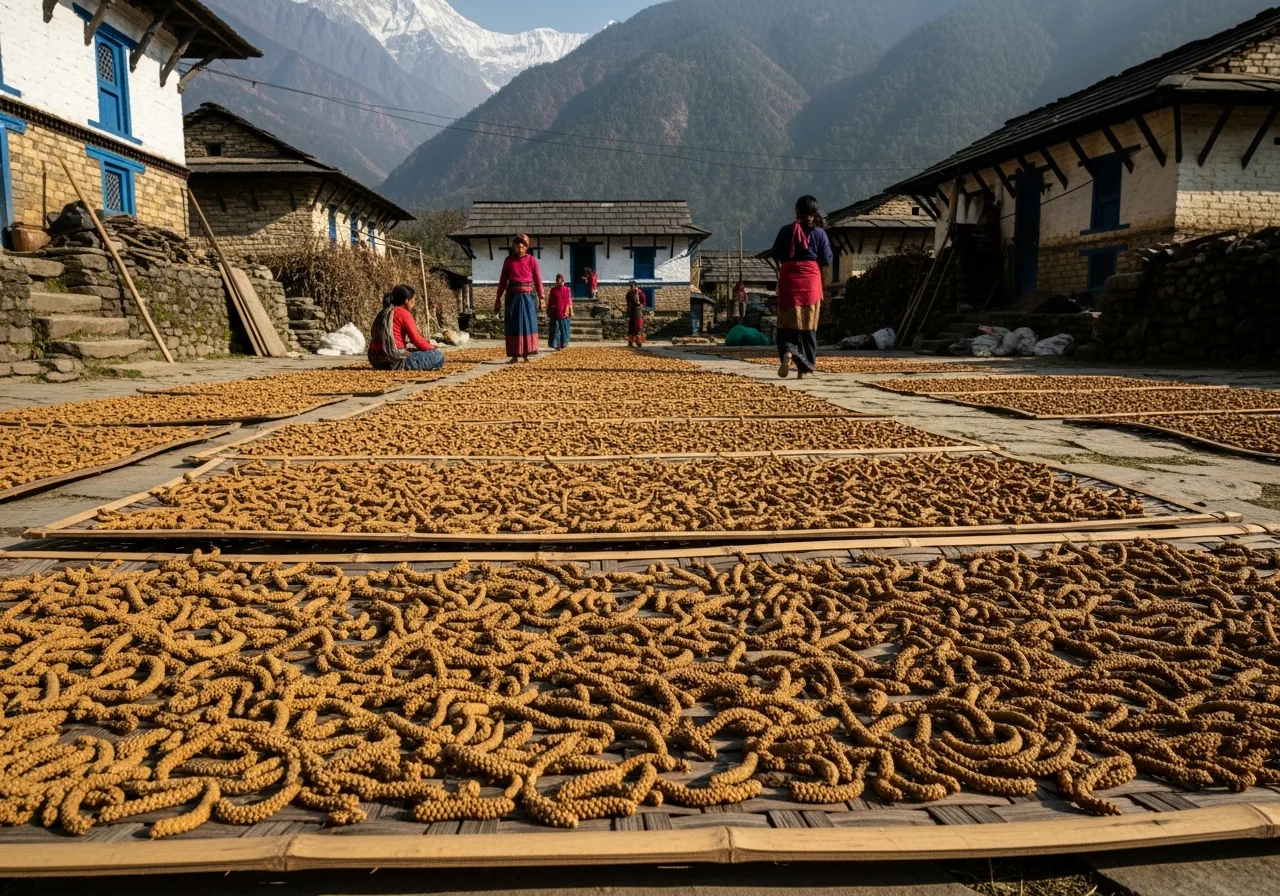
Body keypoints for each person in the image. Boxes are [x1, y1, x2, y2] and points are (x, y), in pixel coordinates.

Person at [768, 195, 832, 380]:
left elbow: (777, 253)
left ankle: (788, 351)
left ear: (796, 211)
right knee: (808, 325)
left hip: (789, 281)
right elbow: (826, 259)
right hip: (810, 282)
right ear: (814, 213)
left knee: (787, 323)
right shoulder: (819, 233)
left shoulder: (786, 231)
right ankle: (805, 368)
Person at [368, 284, 444, 371]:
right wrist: (432, 348)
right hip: (393, 360)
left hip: (375, 361)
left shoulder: (382, 313)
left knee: (414, 351)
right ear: (407, 300)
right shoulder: (403, 313)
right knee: (438, 356)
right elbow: (416, 340)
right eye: (412, 301)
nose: (413, 304)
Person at [495, 233, 544, 362]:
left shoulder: (532, 260)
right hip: (512, 297)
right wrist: (498, 298)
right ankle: (515, 355)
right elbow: (502, 280)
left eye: (522, 247)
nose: (519, 249)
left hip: (527, 297)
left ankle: (527, 354)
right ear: (514, 247)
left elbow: (538, 279)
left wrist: (541, 298)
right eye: (517, 246)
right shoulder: (508, 261)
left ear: (526, 247)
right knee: (513, 325)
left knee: (528, 323)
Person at [547, 273, 573, 350]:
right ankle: (556, 345)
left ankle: (563, 344)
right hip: (555, 312)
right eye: (558, 282)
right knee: (555, 329)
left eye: (561, 281)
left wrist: (569, 309)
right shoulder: (553, 290)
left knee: (564, 329)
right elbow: (550, 301)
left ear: (563, 281)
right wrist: (550, 309)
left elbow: (569, 300)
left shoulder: (567, 290)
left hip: (564, 312)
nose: (559, 283)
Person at [625, 281, 646, 347]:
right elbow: (628, 302)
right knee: (631, 326)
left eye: (632, 286)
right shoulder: (629, 293)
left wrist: (641, 305)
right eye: (630, 286)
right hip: (632, 310)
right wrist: (628, 310)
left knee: (638, 326)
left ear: (635, 286)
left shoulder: (640, 293)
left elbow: (643, 301)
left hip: (638, 310)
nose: (631, 287)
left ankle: (638, 342)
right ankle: (630, 342)